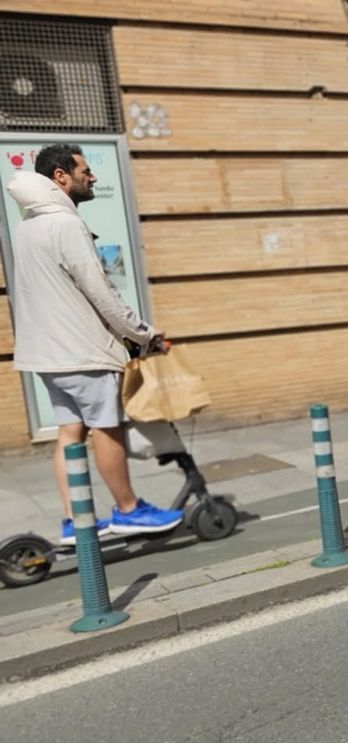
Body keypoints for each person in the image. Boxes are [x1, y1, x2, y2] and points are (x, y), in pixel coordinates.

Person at [4, 144, 183, 542]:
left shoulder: (27, 225)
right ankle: (128, 510)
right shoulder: (66, 224)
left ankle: (74, 520)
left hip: (47, 354)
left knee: (69, 433)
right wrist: (143, 333)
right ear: (60, 177)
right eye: (85, 171)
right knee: (107, 428)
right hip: (82, 351)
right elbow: (100, 290)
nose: (93, 177)